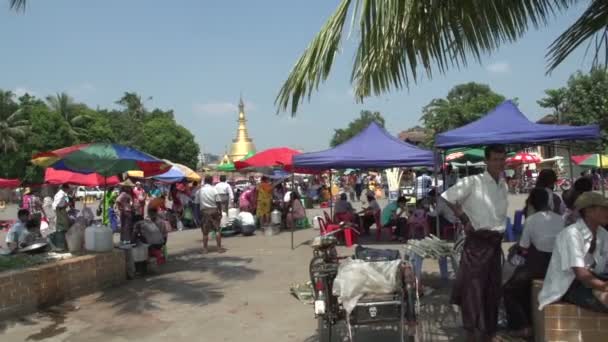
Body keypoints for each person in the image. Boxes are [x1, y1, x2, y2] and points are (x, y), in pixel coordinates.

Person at [441, 145, 508, 342]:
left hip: (495, 243)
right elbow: (447, 197)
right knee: (473, 290)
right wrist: (464, 219)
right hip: (478, 242)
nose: (499, 163)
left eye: (502, 159)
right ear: (486, 161)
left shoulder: (503, 184)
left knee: (492, 289)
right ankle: (472, 332)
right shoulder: (473, 181)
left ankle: (488, 331)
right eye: (495, 159)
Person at [503, 188, 565, 338]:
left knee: (509, 289)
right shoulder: (560, 219)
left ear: (532, 203)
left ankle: (522, 326)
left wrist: (512, 262)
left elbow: (523, 249)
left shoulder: (531, 220)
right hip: (559, 265)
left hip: (539, 266)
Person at [538, 192, 608, 314]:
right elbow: (581, 274)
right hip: (570, 285)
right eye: (604, 209)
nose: (607, 212)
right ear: (588, 211)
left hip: (592, 280)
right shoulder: (571, 234)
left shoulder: (603, 233)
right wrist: (603, 286)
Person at [198, 176, 223, 253]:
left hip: (204, 212)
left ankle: (205, 249)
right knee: (217, 230)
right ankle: (219, 248)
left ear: (205, 181)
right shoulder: (214, 190)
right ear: (211, 181)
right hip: (214, 211)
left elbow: (196, 203)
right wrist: (220, 212)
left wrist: (197, 216)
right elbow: (218, 202)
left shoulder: (200, 191)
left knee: (205, 232)